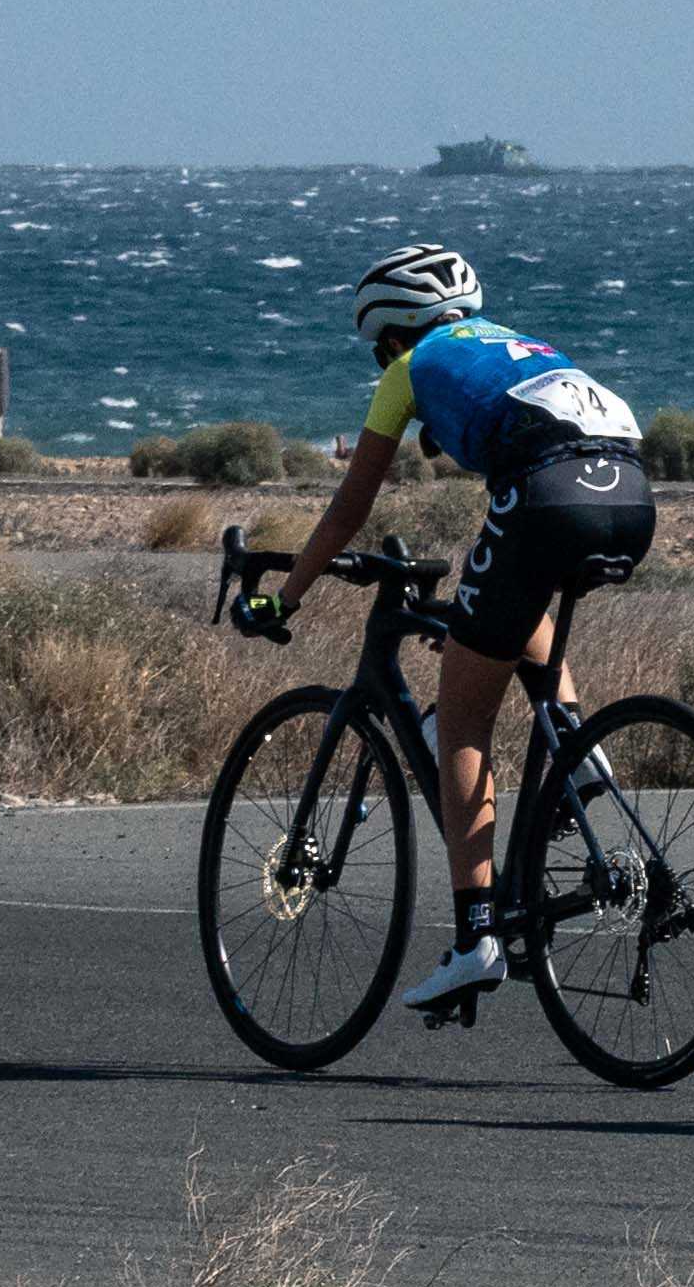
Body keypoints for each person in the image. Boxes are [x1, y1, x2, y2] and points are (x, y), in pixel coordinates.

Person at [262, 245, 662, 1014]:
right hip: (631, 492)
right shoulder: (519, 343)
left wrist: (286, 597)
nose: (382, 360)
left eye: (379, 347)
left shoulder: (407, 369)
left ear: (392, 333)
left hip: (546, 494)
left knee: (464, 724)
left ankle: (474, 940)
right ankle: (577, 753)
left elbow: (350, 509)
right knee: (507, 615)